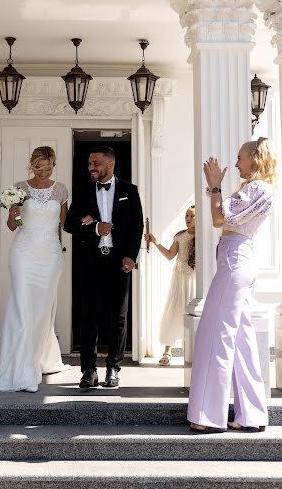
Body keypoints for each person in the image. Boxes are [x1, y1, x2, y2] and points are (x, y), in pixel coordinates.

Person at [188, 137, 278, 433]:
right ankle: (251, 416)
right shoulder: (258, 189)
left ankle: (207, 416)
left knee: (216, 333)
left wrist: (215, 185)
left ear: (254, 158)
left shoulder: (256, 188)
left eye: (240, 157)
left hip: (235, 261)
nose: (236, 163)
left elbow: (218, 218)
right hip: (238, 259)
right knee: (240, 339)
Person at [0, 146, 70, 392]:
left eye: (47, 168)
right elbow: (14, 226)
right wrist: (13, 215)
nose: (43, 172)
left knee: (42, 311)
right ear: (31, 165)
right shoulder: (19, 188)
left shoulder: (61, 190)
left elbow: (65, 224)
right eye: (38, 168)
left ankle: (35, 357)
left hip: (50, 255)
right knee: (22, 307)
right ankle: (19, 370)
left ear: (54, 164)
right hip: (23, 253)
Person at [64, 145, 143, 388]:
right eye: (89, 163)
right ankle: (88, 371)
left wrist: (131, 256)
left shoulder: (130, 190)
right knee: (89, 317)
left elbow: (137, 226)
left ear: (110, 165)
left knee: (118, 317)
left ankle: (113, 369)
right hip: (91, 262)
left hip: (120, 263)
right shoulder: (83, 191)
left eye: (96, 163)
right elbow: (69, 224)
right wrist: (94, 228)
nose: (91, 168)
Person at [146, 206, 196, 366]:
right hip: (180, 280)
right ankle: (167, 351)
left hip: (194, 281)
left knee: (195, 314)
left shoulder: (203, 237)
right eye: (186, 215)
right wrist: (155, 242)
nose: (188, 218)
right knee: (175, 311)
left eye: (192, 216)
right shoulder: (180, 236)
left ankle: (195, 350)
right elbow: (169, 255)